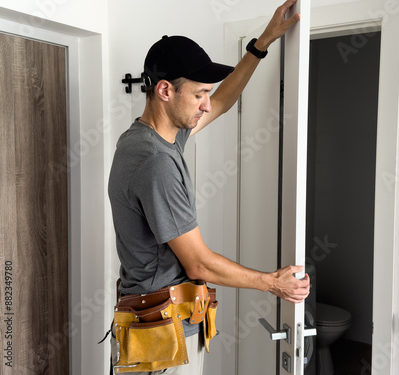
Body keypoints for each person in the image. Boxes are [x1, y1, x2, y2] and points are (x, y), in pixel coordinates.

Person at [108, 1, 310, 374]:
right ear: (166, 90)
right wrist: (272, 284)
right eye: (198, 93)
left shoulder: (151, 138)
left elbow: (222, 101)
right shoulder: (155, 163)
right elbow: (198, 261)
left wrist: (261, 43)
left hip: (163, 326)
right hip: (162, 338)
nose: (205, 104)